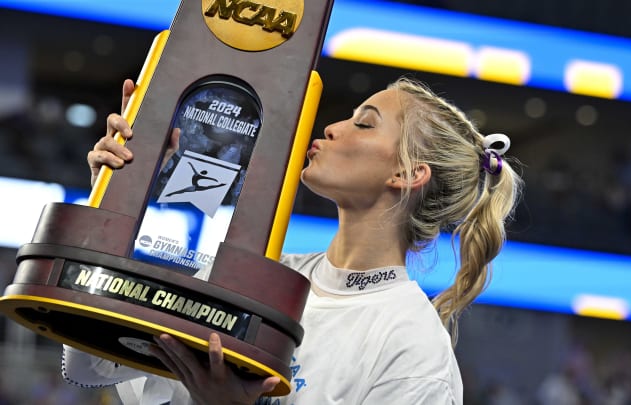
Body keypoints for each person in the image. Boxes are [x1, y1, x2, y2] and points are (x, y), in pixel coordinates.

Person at [65, 76, 523, 404]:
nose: (332, 127)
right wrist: (120, 201)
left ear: (406, 174)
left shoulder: (414, 349)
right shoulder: (259, 278)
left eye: (364, 123)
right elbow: (99, 359)